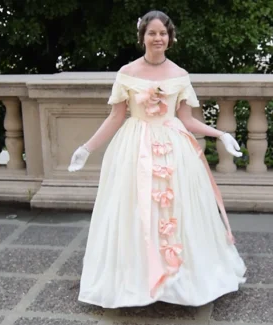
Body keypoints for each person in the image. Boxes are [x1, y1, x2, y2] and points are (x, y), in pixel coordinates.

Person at [67, 10, 246, 308]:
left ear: (170, 37)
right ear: (142, 37)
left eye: (163, 33)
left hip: (174, 147)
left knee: (179, 209)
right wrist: (87, 147)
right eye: (152, 33)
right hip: (135, 148)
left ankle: (179, 280)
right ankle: (136, 279)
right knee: (135, 210)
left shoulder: (180, 75)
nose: (158, 38)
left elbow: (187, 119)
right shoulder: (126, 73)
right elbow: (116, 116)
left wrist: (219, 134)